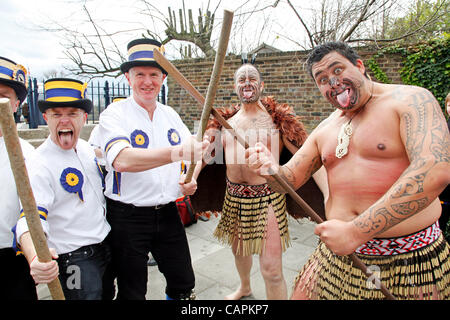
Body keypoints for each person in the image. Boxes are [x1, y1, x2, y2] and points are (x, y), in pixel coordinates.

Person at [245, 41, 450, 300]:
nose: (332, 81)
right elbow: (289, 180)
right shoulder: (325, 128)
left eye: (338, 70)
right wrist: (269, 169)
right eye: (322, 79)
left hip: (410, 261)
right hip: (337, 258)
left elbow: (434, 171)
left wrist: (356, 232)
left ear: (360, 66)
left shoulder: (411, 100)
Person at [202, 63, 328, 300]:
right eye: (241, 79)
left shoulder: (277, 121)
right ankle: (245, 287)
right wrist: (189, 175)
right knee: (240, 252)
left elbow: (310, 159)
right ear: (235, 87)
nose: (246, 82)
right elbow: (204, 154)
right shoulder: (223, 122)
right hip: (234, 198)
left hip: (267, 199)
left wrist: (329, 195)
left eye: (252, 78)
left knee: (271, 270)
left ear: (261, 85)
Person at [97, 38, 208, 300]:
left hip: (169, 213)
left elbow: (196, 152)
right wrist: (179, 153)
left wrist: (190, 176)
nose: (148, 81)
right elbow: (122, 160)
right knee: (132, 290)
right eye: (140, 74)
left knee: (183, 282)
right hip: (127, 217)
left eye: (154, 74)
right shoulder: (113, 114)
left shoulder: (170, 114)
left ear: (163, 78)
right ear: (128, 77)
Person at [14, 78, 111, 300]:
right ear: (46, 118)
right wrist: (34, 257)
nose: (64, 121)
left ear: (84, 118)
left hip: (104, 248)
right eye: (57, 114)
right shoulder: (38, 163)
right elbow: (30, 219)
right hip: (73, 260)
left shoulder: (87, 149)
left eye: (72, 113)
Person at [0, 56, 37, 300]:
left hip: (11, 257)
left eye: (4, 95)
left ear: (16, 104)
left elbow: (32, 211)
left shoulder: (27, 153)